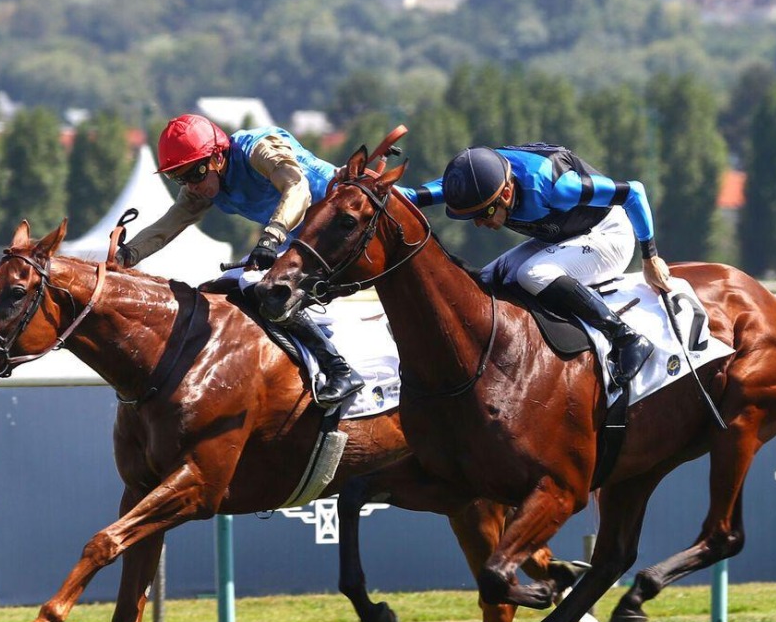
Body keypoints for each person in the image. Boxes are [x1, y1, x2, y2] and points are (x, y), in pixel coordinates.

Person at [115, 114, 364, 405]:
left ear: (218, 157)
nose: (190, 185)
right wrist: (125, 255)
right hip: (305, 243)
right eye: (178, 177)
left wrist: (272, 236)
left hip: (342, 231)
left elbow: (297, 188)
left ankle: (339, 370)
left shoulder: (257, 149)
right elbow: (167, 225)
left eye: (194, 173)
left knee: (266, 288)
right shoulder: (205, 182)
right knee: (222, 289)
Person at [409, 144, 672, 387]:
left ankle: (625, 337)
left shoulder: (557, 187)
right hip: (565, 235)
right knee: (486, 279)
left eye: (485, 213)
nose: (479, 223)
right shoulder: (478, 180)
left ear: (508, 192)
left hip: (609, 235)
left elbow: (633, 191)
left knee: (533, 273)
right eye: (471, 217)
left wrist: (649, 257)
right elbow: (411, 196)